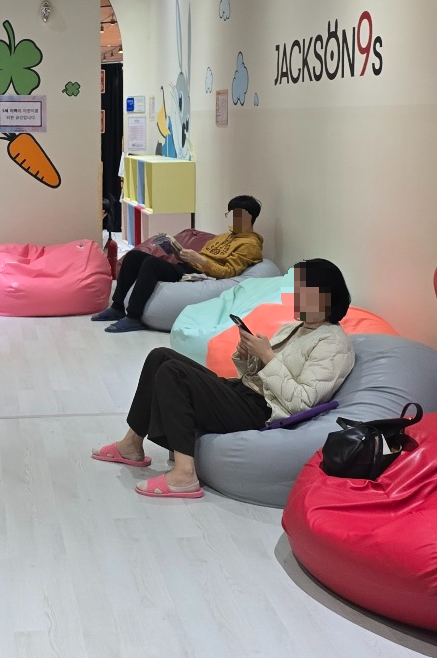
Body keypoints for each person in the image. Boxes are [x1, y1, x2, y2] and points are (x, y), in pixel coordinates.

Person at [92, 258, 355, 498]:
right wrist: (248, 355)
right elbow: (259, 374)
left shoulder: (332, 343)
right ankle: (131, 444)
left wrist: (267, 356)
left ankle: (184, 474)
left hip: (263, 410)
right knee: (160, 356)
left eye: (301, 290)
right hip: (245, 392)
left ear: (323, 297)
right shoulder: (295, 327)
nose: (294, 296)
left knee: (174, 373)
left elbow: (302, 401)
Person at [93, 195, 265, 332]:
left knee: (152, 264)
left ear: (249, 218)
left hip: (203, 277)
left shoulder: (250, 245)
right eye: (231, 215)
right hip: (189, 267)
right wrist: (180, 253)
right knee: (134, 257)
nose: (233, 220)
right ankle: (117, 307)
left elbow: (228, 272)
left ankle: (134, 316)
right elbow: (201, 257)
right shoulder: (223, 237)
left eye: (237, 216)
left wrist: (199, 260)